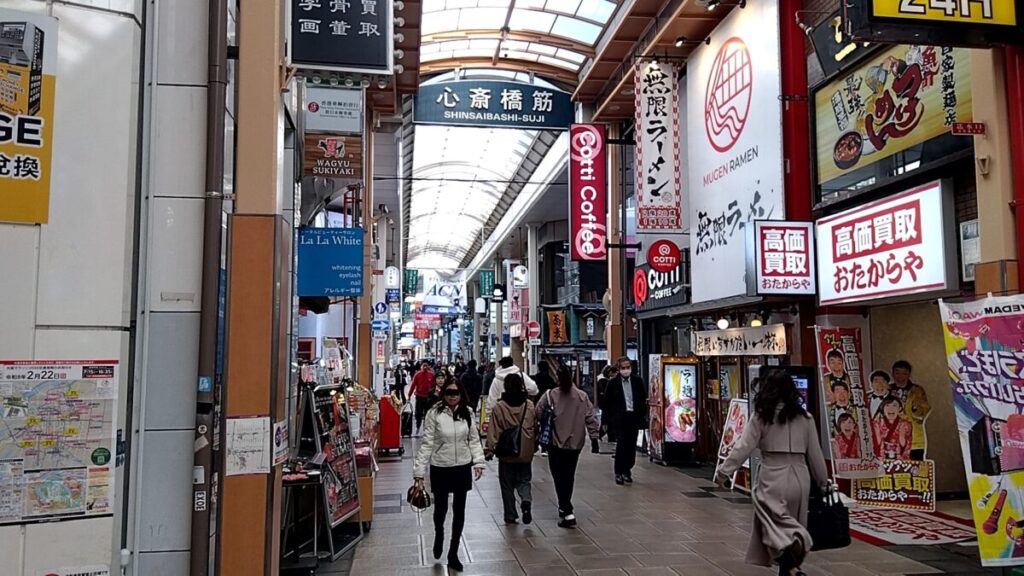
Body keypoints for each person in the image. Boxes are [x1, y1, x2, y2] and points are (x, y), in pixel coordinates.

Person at [715, 369, 829, 576]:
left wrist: (724, 472)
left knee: (772, 527)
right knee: (789, 524)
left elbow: (743, 447)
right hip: (800, 477)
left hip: (772, 475)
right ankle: (790, 570)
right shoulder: (805, 418)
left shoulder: (761, 416)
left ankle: (792, 563)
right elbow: (815, 455)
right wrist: (823, 482)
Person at [412, 377, 486, 572]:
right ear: (443, 394)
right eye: (449, 393)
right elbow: (427, 443)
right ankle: (439, 534)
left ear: (461, 394)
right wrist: (419, 471)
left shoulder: (467, 413)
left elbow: (474, 440)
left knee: (459, 511)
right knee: (441, 509)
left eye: (456, 393)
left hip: (461, 466)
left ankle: (453, 552)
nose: (452, 396)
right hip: (440, 466)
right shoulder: (434, 413)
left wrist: (478, 462)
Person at [536, 367, 600, 529]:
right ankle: (565, 506)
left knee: (558, 476)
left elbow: (537, 413)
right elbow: (590, 418)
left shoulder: (550, 395)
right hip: (575, 443)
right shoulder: (582, 396)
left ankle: (566, 508)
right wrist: (594, 438)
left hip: (556, 443)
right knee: (569, 475)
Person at [485, 373, 537, 524]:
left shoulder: (499, 407)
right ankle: (525, 501)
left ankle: (510, 514)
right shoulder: (529, 405)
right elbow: (534, 427)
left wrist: (489, 449)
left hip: (506, 451)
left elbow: (494, 430)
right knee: (524, 479)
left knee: (507, 484)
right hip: (525, 451)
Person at [600, 356, 648, 485]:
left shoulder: (637, 381)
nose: (626, 370)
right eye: (623, 368)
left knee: (631, 445)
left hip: (634, 417)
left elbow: (642, 400)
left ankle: (627, 469)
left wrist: (643, 415)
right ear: (619, 368)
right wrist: (605, 421)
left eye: (628, 367)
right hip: (619, 418)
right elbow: (607, 403)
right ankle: (619, 472)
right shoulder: (613, 383)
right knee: (621, 444)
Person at [891, 360, 930, 460]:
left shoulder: (917, 391)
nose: (900, 377)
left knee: (915, 471)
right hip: (891, 440)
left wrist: (915, 409)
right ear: (892, 374)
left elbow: (923, 412)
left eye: (904, 373)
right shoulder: (888, 390)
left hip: (914, 440)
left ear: (909, 375)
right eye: (897, 373)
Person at [410, 361, 435, 435]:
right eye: (423, 365)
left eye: (426, 366)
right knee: (418, 413)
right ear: (421, 366)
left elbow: (434, 385)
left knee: (428, 413)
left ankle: (426, 428)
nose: (425, 367)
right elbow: (413, 385)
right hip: (419, 396)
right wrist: (409, 395)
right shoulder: (418, 374)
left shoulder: (431, 374)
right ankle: (418, 426)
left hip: (428, 397)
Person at [596, 365, 619, 442]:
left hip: (605, 405)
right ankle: (604, 434)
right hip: (606, 405)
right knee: (607, 421)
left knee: (606, 420)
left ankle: (602, 433)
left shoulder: (603, 380)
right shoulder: (603, 381)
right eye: (614, 373)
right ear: (609, 373)